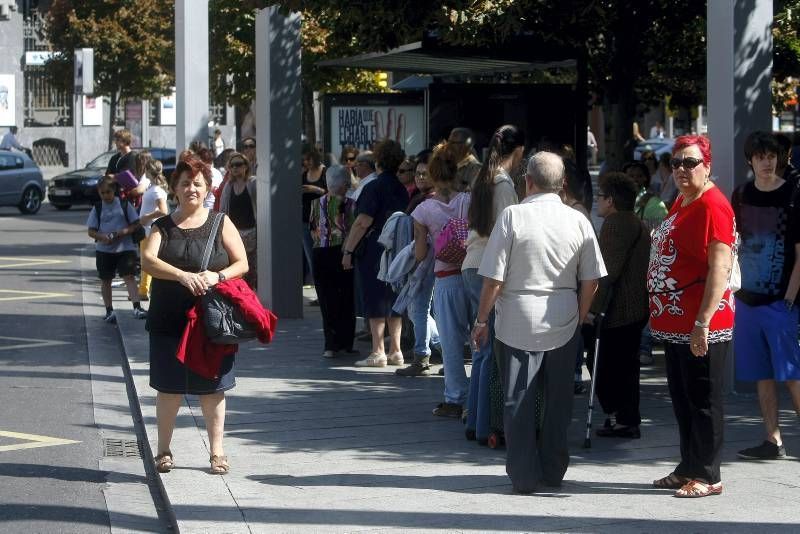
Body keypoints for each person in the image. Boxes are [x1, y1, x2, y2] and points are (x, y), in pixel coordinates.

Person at [472, 151, 605, 493]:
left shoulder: (512, 216)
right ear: (562, 184)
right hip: (562, 315)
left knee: (517, 400)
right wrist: (578, 313)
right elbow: (592, 280)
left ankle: (524, 475)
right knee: (559, 400)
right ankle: (553, 469)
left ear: (527, 181)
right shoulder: (578, 220)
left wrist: (481, 319)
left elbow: (493, 280)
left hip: (516, 316)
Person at [141, 155, 249, 476]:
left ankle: (217, 453)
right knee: (169, 388)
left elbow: (241, 263)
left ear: (208, 188)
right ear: (174, 188)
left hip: (211, 321)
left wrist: (217, 277)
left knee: (213, 387)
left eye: (197, 184)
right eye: (185, 183)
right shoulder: (163, 226)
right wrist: (181, 276)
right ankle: (163, 450)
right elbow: (147, 260)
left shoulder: (220, 222)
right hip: (168, 317)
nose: (191, 189)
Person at [648, 135, 735, 498]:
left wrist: (701, 322)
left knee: (703, 399)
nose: (681, 169)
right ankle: (688, 466)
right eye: (676, 163)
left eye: (690, 163)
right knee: (683, 398)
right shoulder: (684, 200)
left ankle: (709, 474)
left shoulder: (713, 206)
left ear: (707, 165)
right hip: (676, 324)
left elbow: (720, 268)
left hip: (702, 323)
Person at [732, 131, 800, 460]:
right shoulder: (741, 195)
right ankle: (772, 440)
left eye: (771, 156)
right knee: (762, 373)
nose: (767, 162)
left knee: (792, 374)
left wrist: (789, 299)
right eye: (760, 156)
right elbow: (734, 244)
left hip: (780, 302)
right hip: (746, 300)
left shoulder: (793, 194)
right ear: (750, 160)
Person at [462, 125, 524, 441]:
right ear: (520, 151)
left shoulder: (483, 179)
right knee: (488, 350)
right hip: (489, 269)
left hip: (471, 265)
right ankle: (483, 424)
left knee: (481, 348)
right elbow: (507, 236)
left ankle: (475, 420)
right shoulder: (505, 186)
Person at [410, 142, 472, 416]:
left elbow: (421, 253)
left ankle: (456, 398)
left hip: (446, 278)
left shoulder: (424, 210)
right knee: (481, 340)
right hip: (473, 275)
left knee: (451, 343)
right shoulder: (469, 202)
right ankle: (482, 396)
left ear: (433, 175)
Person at [587, 172, 650, 438]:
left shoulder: (615, 224)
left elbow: (607, 272)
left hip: (619, 310)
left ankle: (620, 415)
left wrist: (590, 308)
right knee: (626, 366)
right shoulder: (636, 222)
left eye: (600, 196)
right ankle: (625, 417)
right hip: (635, 307)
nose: (597, 202)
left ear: (610, 200)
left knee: (604, 362)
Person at [342, 139, 408, 367]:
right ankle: (396, 350)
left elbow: (362, 221)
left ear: (377, 161)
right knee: (394, 296)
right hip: (398, 247)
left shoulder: (374, 187)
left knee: (375, 296)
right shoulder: (401, 187)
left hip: (375, 248)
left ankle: (378, 350)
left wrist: (348, 250)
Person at [396, 149, 441, 376]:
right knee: (417, 309)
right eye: (418, 173)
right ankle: (442, 346)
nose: (420, 177)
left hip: (426, 260)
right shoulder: (422, 198)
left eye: (426, 173)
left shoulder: (429, 201)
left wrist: (416, 260)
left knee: (419, 307)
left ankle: (422, 356)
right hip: (428, 259)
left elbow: (423, 241)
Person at [309, 165, 356, 358]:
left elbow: (312, 229)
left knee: (326, 300)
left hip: (320, 252)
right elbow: (354, 228)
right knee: (346, 296)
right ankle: (346, 343)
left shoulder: (315, 204)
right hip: (342, 252)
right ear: (345, 184)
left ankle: (330, 345)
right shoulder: (351, 204)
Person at [86, 177, 148, 323]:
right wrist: (102, 237)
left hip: (125, 248)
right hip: (104, 249)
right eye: (102, 193)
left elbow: (136, 224)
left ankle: (137, 307)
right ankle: (109, 310)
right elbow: (90, 231)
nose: (105, 195)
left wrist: (122, 232)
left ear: (114, 190)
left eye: (108, 192)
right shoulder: (97, 207)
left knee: (129, 277)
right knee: (106, 279)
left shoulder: (124, 204)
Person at [219, 152, 257, 289]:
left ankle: (250, 296)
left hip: (252, 233)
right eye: (232, 165)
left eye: (239, 164)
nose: (235, 168)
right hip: (234, 235)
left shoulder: (253, 183)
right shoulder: (228, 186)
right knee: (236, 270)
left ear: (246, 166)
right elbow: (223, 210)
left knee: (252, 270)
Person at [137, 159, 169, 300]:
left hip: (150, 229)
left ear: (149, 171)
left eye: (146, 169)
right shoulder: (153, 188)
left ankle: (144, 291)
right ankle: (144, 290)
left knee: (147, 260)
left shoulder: (156, 190)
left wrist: (147, 216)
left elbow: (163, 210)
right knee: (147, 260)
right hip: (147, 229)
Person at [302, 147, 327, 286]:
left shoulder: (325, 172)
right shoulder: (304, 174)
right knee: (311, 257)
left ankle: (324, 288)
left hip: (323, 218)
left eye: (309, 159)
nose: (306, 162)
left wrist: (315, 190)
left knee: (323, 255)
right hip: (306, 219)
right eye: (304, 160)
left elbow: (332, 192)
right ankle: (318, 288)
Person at [624, 161, 668, 231]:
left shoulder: (654, 202)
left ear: (645, 178)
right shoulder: (619, 199)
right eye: (631, 176)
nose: (634, 179)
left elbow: (664, 228)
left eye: (639, 176)